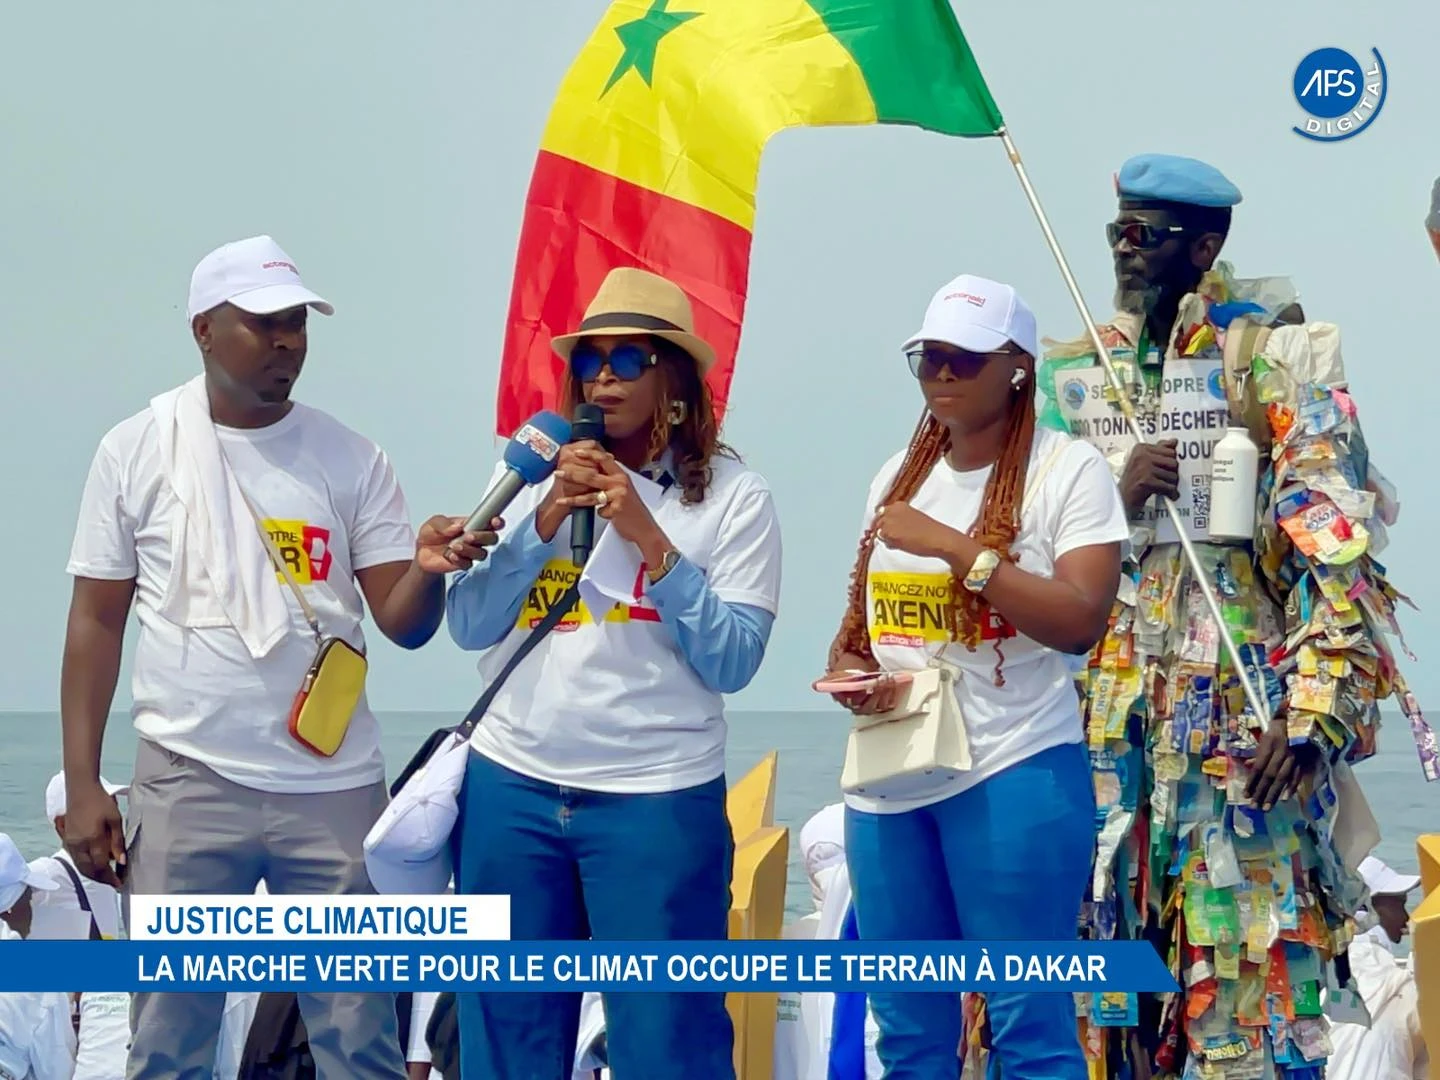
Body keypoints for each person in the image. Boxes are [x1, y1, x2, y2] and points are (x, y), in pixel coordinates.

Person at [58, 234, 496, 1079]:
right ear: (203, 329)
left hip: (331, 788)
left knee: (356, 1037)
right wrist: (83, 780)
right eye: (263, 324)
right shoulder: (137, 449)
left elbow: (401, 622)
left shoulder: (350, 457)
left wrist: (433, 569)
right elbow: (96, 621)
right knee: (169, 1039)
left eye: (297, 324)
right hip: (187, 779)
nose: (288, 342)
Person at [1036, 154, 1420, 1077]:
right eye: (1117, 231)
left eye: (1148, 234)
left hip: (1242, 728)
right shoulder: (1078, 376)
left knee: (1244, 979)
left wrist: (1316, 712)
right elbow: (1028, 544)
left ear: (1205, 246)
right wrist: (1113, 498)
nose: (1127, 250)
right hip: (1105, 728)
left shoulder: (1275, 361)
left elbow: (1338, 545)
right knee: (1110, 980)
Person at [444, 266, 784, 1078]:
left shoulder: (735, 498)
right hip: (513, 788)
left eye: (627, 359)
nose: (603, 375)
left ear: (673, 378)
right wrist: (543, 522)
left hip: (656, 801)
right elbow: (468, 624)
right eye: (590, 359)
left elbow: (733, 659)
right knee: (506, 1044)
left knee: (669, 1047)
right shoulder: (536, 480)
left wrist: (647, 536)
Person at [821, 273, 1129, 1077]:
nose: (943, 376)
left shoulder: (1069, 471)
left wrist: (960, 551)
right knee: (910, 1036)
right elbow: (863, 628)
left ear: (1017, 366)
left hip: (1012, 768)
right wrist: (857, 676)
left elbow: (1080, 621)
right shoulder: (897, 475)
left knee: (1030, 1028)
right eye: (928, 359)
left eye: (964, 359)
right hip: (891, 780)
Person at [1328, 857, 1428, 1080]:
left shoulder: (1328, 969)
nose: (1406, 916)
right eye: (1399, 904)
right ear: (1366, 908)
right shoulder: (1394, 979)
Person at [29, 771, 128, 940]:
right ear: (63, 825)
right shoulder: (46, 876)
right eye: (102, 816)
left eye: (115, 808)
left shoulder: (106, 886)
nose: (116, 821)